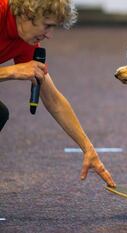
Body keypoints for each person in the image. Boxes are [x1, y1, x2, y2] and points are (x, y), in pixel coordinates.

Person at [0, 0, 116, 187]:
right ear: (27, 13)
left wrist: (88, 148)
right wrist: (11, 71)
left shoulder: (26, 41)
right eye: (47, 25)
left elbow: (53, 99)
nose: (49, 35)